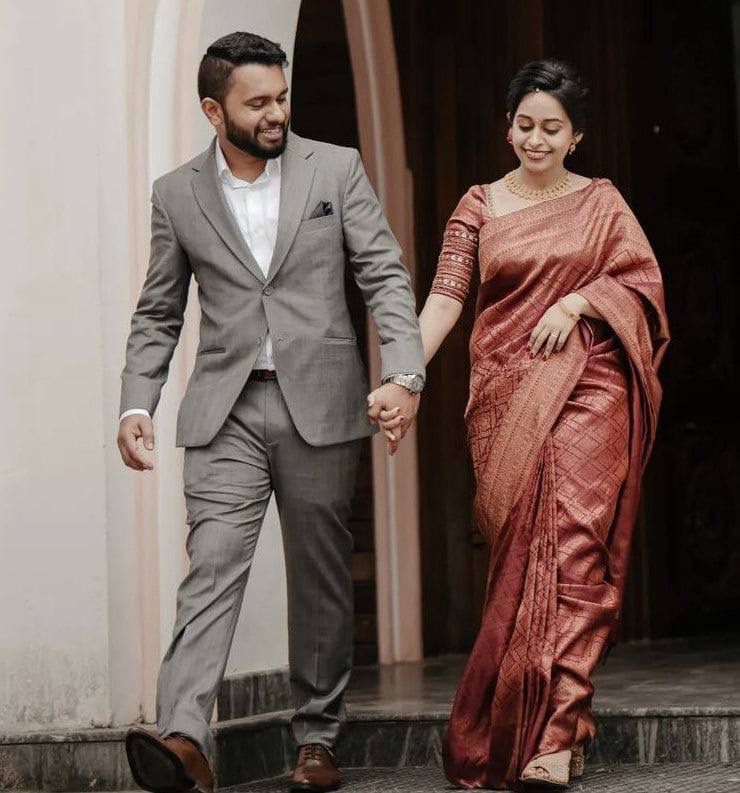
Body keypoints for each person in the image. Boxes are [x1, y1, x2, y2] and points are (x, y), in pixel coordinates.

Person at [117, 31, 425, 793]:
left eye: (282, 96)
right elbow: (158, 311)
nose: (277, 112)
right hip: (224, 411)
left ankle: (316, 739)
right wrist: (136, 400)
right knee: (211, 566)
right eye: (259, 102)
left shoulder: (336, 168)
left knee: (319, 576)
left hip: (319, 404)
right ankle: (184, 737)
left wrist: (405, 373)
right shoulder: (176, 194)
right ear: (213, 110)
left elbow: (383, 273)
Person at [386, 59, 669, 790]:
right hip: (506, 396)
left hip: (589, 385)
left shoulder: (603, 202)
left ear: (577, 136)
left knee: (576, 552)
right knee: (522, 563)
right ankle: (559, 723)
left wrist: (578, 303)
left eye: (551, 128)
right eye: (524, 125)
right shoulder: (478, 205)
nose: (534, 139)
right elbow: (445, 300)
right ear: (506, 125)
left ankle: (553, 730)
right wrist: (402, 374)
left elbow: (642, 285)